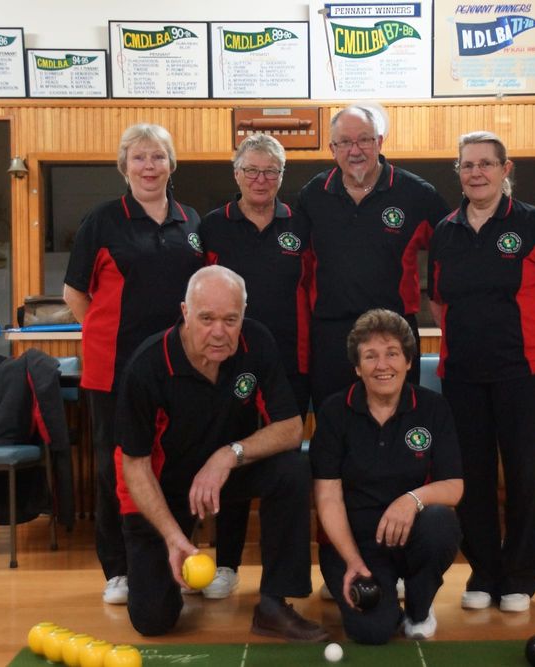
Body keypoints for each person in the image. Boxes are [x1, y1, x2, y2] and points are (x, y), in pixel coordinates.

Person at [114, 266, 328, 641]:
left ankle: (274, 604)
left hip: (225, 475)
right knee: (153, 621)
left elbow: (292, 428)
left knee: (292, 470)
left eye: (231, 320)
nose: (219, 332)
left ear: (243, 315)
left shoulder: (256, 343)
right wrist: (171, 536)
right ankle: (163, 572)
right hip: (160, 490)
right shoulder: (147, 367)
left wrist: (226, 456)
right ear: (185, 312)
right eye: (206, 318)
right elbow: (135, 465)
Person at [428, 131, 535, 613]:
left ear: (505, 169)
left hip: (523, 375)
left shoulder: (531, 223)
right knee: (470, 477)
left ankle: (519, 577)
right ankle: (484, 571)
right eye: (467, 165)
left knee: (522, 475)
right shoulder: (445, 231)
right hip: (462, 376)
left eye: (485, 164)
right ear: (459, 172)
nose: (476, 173)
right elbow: (437, 302)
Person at [63, 123, 203, 606]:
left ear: (171, 164)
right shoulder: (102, 220)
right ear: (124, 167)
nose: (149, 166)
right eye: (139, 158)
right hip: (114, 371)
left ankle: (182, 556)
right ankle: (119, 569)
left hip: (178, 371)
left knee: (178, 463)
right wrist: (106, 334)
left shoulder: (191, 222)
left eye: (158, 157)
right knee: (116, 469)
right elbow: (75, 294)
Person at [198, 135, 312, 600]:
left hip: (291, 365)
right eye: (252, 171)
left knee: (285, 465)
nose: (261, 180)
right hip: (228, 367)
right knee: (233, 456)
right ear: (236, 175)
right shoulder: (211, 228)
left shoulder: (301, 226)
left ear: (282, 177)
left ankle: (279, 578)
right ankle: (225, 563)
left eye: (271, 172)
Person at [310, 309, 463, 644]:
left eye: (392, 354)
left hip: (411, 534)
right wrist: (352, 562)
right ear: (357, 367)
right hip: (355, 543)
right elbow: (328, 497)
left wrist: (411, 500)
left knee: (440, 522)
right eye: (371, 356)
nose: (382, 365)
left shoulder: (433, 407)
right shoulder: (335, 411)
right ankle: (385, 600)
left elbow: (454, 486)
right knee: (372, 632)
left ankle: (419, 609)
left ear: (408, 361)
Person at [297, 104, 450, 411]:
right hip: (331, 336)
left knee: (396, 429)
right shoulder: (313, 195)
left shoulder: (417, 194)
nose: (355, 150)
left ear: (380, 142)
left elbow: (454, 253)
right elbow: (298, 270)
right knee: (333, 429)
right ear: (332, 149)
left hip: (394, 334)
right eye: (345, 142)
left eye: (364, 139)